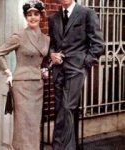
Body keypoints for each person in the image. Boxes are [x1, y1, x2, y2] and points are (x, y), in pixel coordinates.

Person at [48, 0, 104, 149]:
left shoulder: (87, 14)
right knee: (62, 109)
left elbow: (98, 44)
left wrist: (84, 63)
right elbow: (52, 44)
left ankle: (59, 147)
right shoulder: (53, 18)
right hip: (58, 70)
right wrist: (52, 54)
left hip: (76, 69)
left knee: (67, 107)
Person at [0, 0, 49, 149]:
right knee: (23, 124)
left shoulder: (46, 39)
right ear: (25, 17)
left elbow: (45, 59)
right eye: (29, 15)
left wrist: (45, 69)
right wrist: (8, 72)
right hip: (21, 85)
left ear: (41, 16)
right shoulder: (19, 36)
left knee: (34, 123)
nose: (33, 18)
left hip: (37, 85)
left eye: (36, 14)